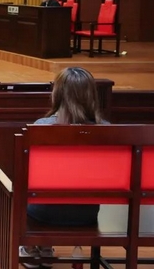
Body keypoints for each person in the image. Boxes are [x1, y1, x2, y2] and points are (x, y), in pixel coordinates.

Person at [19, 67, 105, 268]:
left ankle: (34, 247)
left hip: (43, 214)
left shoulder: (41, 127)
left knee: (21, 187)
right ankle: (44, 246)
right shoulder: (107, 130)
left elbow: (29, 175)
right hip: (87, 215)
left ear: (57, 94)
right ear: (91, 95)